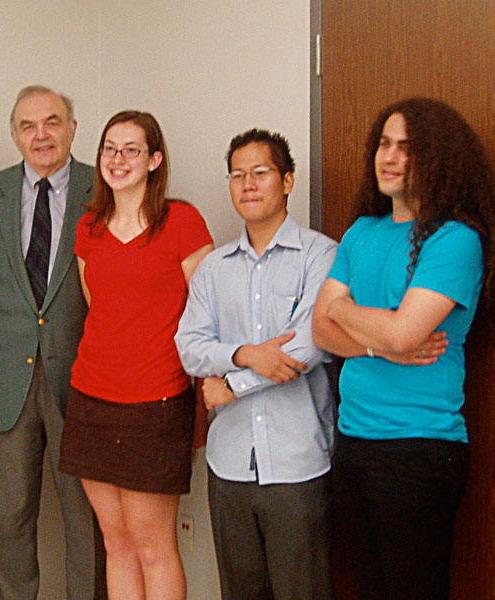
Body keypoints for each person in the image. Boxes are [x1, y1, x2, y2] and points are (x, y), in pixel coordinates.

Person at [312, 98, 495, 600]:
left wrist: (347, 312)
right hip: (352, 442)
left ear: (439, 158)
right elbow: (320, 331)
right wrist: (377, 345)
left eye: (406, 148)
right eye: (384, 144)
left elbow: (401, 334)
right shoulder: (360, 232)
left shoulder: (455, 240)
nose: (388, 157)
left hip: (419, 449)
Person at [174, 129, 338, 599]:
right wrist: (247, 356)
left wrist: (232, 384)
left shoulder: (320, 255)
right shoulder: (215, 267)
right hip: (229, 465)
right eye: (237, 175)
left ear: (287, 181)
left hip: (297, 463)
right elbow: (189, 344)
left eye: (260, 173)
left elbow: (306, 348)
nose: (247, 184)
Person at [58, 110, 213, 599]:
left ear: (155, 159)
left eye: (132, 149)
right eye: (110, 148)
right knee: (114, 542)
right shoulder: (89, 226)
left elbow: (209, 312)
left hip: (157, 402)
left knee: (153, 546)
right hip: (91, 399)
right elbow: (96, 306)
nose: (118, 159)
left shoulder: (183, 221)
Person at [0, 85, 106, 600]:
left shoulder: (105, 185)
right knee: (7, 523)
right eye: (28, 126)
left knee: (88, 524)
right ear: (14, 134)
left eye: (52, 122)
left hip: (84, 381)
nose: (40, 135)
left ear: (73, 128)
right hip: (4, 382)